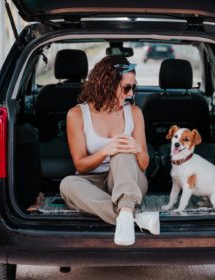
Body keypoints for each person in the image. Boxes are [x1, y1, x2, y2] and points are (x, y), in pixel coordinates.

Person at [60, 55, 159, 246]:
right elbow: (80, 165)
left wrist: (138, 149)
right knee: (67, 184)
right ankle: (132, 217)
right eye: (126, 87)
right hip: (93, 183)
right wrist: (106, 150)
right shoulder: (77, 114)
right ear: (106, 84)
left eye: (133, 87)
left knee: (121, 151)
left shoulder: (135, 113)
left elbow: (144, 163)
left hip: (129, 180)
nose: (130, 94)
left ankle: (126, 208)